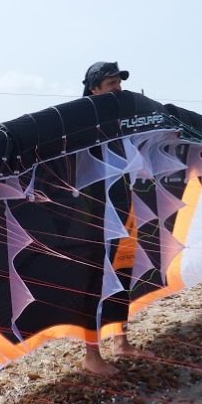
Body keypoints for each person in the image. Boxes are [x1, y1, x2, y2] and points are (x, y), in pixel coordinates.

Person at [80, 61, 154, 376]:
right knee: (94, 280)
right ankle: (91, 356)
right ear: (94, 88)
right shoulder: (76, 120)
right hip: (92, 213)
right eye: (111, 84)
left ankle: (121, 341)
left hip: (124, 208)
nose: (118, 89)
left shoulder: (123, 119)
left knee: (122, 272)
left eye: (119, 83)